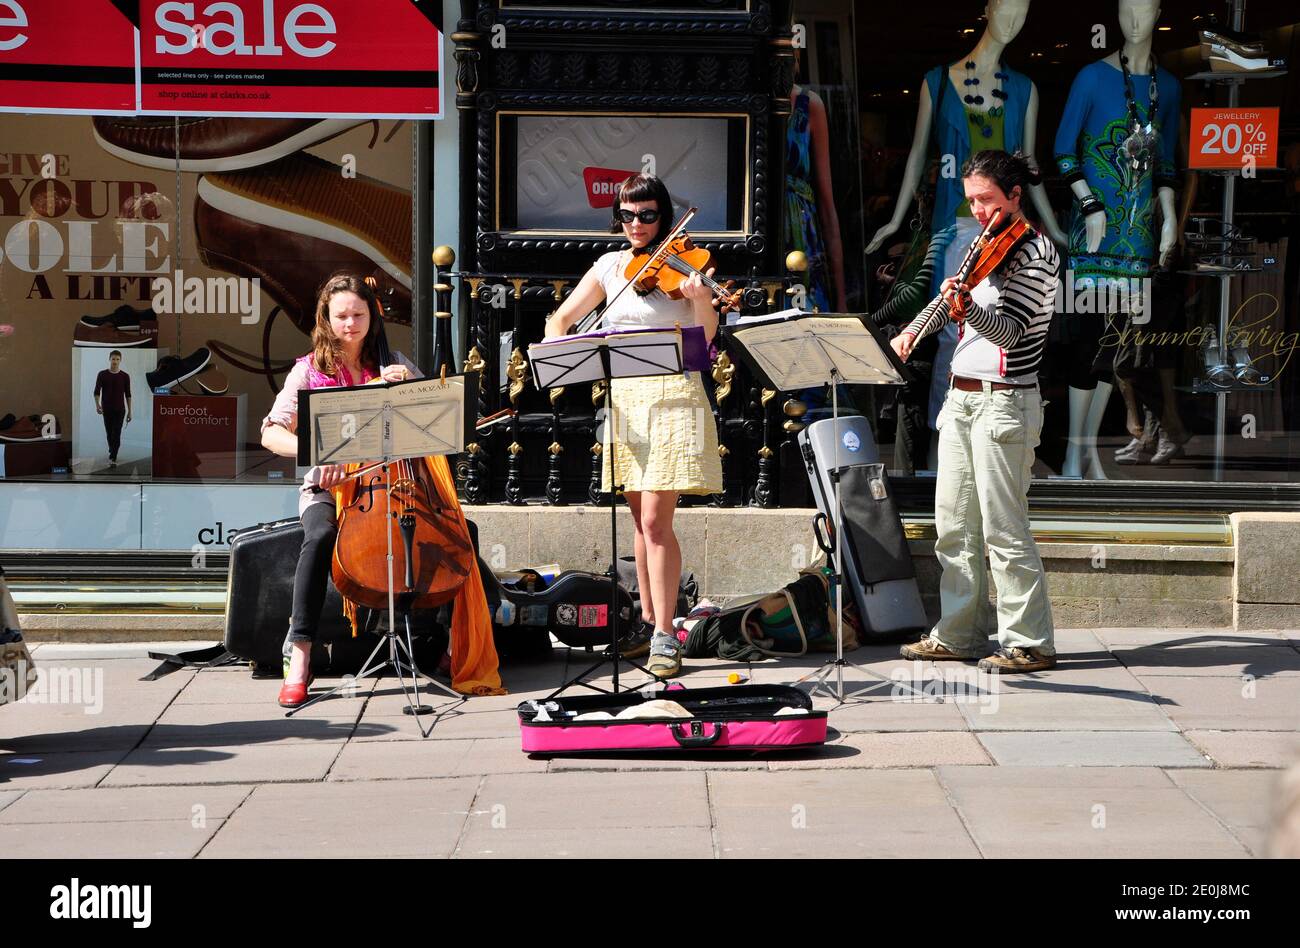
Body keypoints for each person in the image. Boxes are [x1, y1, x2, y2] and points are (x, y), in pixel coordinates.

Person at [261, 273, 503, 707]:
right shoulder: (308, 371)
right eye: (341, 316)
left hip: (395, 483)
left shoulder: (394, 362)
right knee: (318, 537)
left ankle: (454, 647)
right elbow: (272, 433)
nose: (350, 323)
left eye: (358, 314)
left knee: (456, 533)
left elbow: (434, 426)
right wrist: (319, 460)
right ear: (325, 318)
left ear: (373, 315)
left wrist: (408, 390)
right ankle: (299, 651)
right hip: (332, 487)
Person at [544, 173, 723, 678]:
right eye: (627, 216)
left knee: (655, 522)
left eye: (647, 215)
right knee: (638, 517)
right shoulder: (609, 266)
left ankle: (666, 631)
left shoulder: (685, 266)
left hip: (670, 396)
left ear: (663, 216)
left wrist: (700, 298)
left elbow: (703, 344)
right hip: (623, 398)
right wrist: (563, 347)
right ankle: (646, 621)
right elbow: (559, 320)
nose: (637, 225)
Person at [891, 150, 1058, 672]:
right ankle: (958, 633)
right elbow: (948, 299)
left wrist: (970, 311)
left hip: (1004, 399)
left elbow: (1012, 334)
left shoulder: (1036, 253)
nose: (980, 212)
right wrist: (913, 329)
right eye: (971, 202)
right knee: (954, 526)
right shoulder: (982, 243)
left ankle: (1029, 642)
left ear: (1015, 196)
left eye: (987, 201)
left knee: (1004, 529)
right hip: (962, 398)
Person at [94, 350, 132, 469]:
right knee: (109, 433)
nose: (115, 361)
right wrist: (97, 405)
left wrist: (130, 411)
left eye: (117, 359)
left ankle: (113, 456)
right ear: (109, 359)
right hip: (107, 409)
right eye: (113, 359)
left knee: (117, 433)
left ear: (120, 361)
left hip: (120, 410)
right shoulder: (102, 374)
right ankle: (112, 449)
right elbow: (96, 391)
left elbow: (128, 394)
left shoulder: (125, 376)